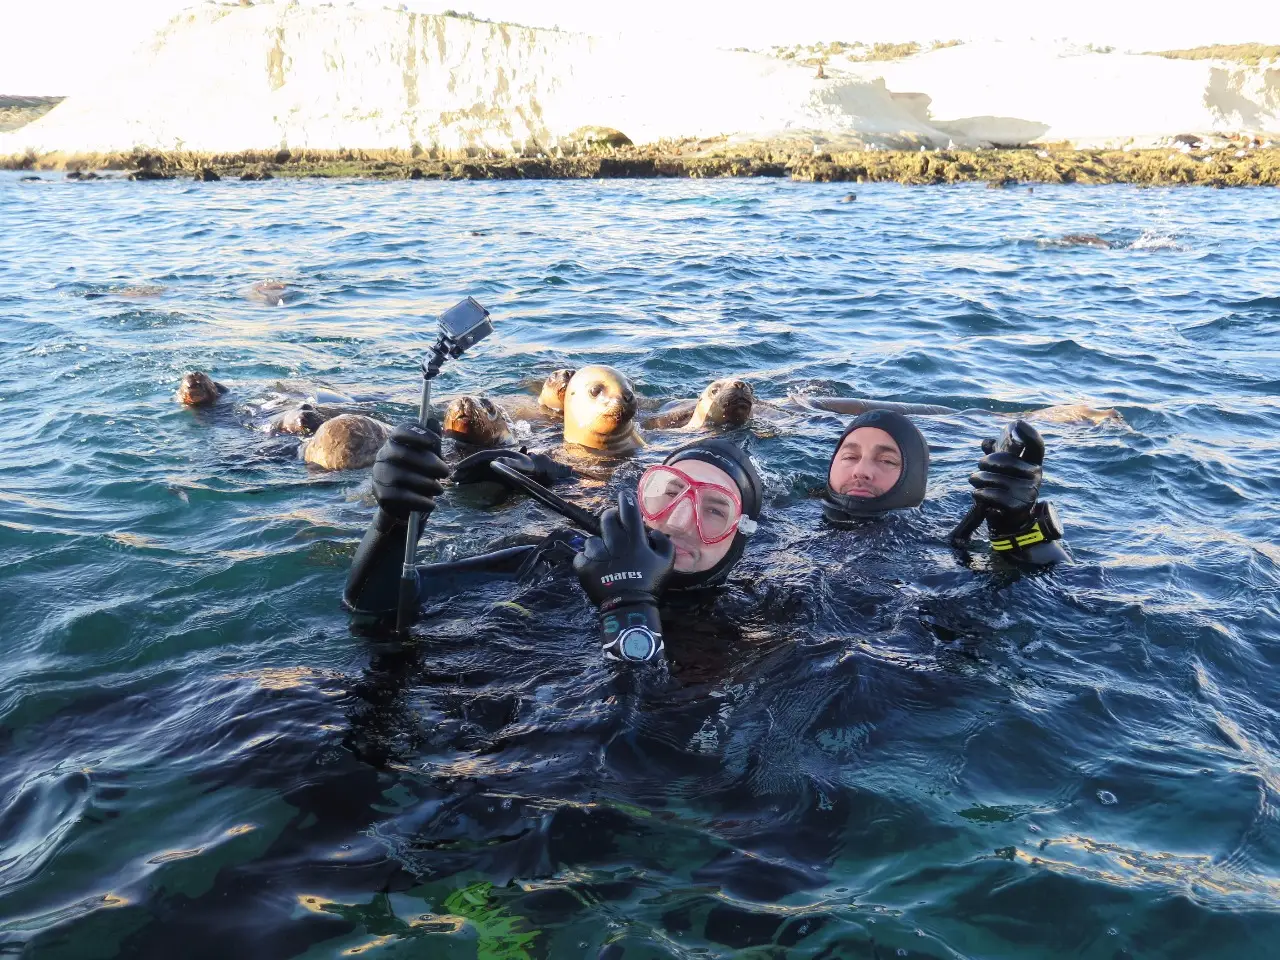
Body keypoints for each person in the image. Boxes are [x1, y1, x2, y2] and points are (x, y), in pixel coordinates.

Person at [343, 421, 764, 663]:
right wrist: (394, 522)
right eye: (668, 493)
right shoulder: (562, 560)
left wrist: (630, 604)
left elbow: (647, 758)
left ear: (740, 533)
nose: (678, 521)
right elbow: (375, 610)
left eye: (715, 510)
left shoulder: (754, 626)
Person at [820, 409, 1069, 566]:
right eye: (850, 457)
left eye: (887, 461)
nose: (861, 470)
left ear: (914, 478)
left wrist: (1018, 537)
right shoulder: (796, 510)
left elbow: (1072, 598)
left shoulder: (935, 538)